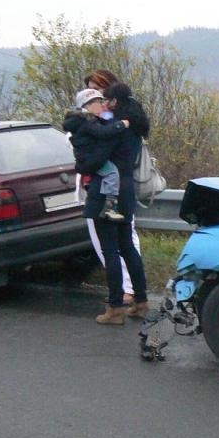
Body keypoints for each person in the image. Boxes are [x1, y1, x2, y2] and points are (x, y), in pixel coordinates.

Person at [74, 82, 149, 325]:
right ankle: (141, 301)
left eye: (106, 99)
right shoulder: (135, 130)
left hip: (106, 193)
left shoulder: (112, 130)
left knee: (110, 250)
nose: (103, 103)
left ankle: (115, 308)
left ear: (115, 102)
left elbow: (94, 161)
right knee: (128, 247)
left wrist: (81, 164)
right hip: (127, 191)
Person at [64, 88, 124, 222]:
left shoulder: (81, 120)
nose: (100, 106)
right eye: (96, 103)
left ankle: (108, 204)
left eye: (100, 102)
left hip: (87, 157)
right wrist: (120, 125)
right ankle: (110, 205)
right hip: (92, 158)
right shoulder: (88, 122)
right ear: (86, 106)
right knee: (112, 173)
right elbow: (103, 133)